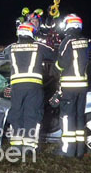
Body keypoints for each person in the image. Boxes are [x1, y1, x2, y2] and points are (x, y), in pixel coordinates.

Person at [4, 22, 56, 152]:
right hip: (34, 88)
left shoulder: (11, 48)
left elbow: (4, 55)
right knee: (32, 115)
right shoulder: (38, 47)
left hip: (16, 88)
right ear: (31, 33)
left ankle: (16, 146)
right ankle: (30, 147)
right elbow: (54, 54)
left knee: (16, 115)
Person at [55, 14, 90, 158]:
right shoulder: (85, 41)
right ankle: (80, 150)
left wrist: (56, 67)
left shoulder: (67, 41)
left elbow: (61, 63)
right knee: (79, 117)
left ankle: (67, 151)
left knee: (67, 117)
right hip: (82, 86)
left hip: (69, 86)